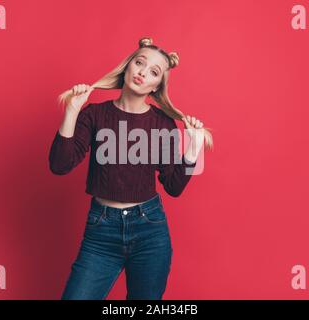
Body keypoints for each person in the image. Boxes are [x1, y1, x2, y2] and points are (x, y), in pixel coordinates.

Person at [48, 37, 213, 300]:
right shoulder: (94, 115)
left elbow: (173, 187)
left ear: (157, 86)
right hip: (101, 231)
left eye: (153, 72)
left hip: (149, 230)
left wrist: (192, 151)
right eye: (139, 63)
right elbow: (59, 165)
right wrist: (71, 111)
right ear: (127, 66)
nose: (142, 72)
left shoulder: (162, 124)